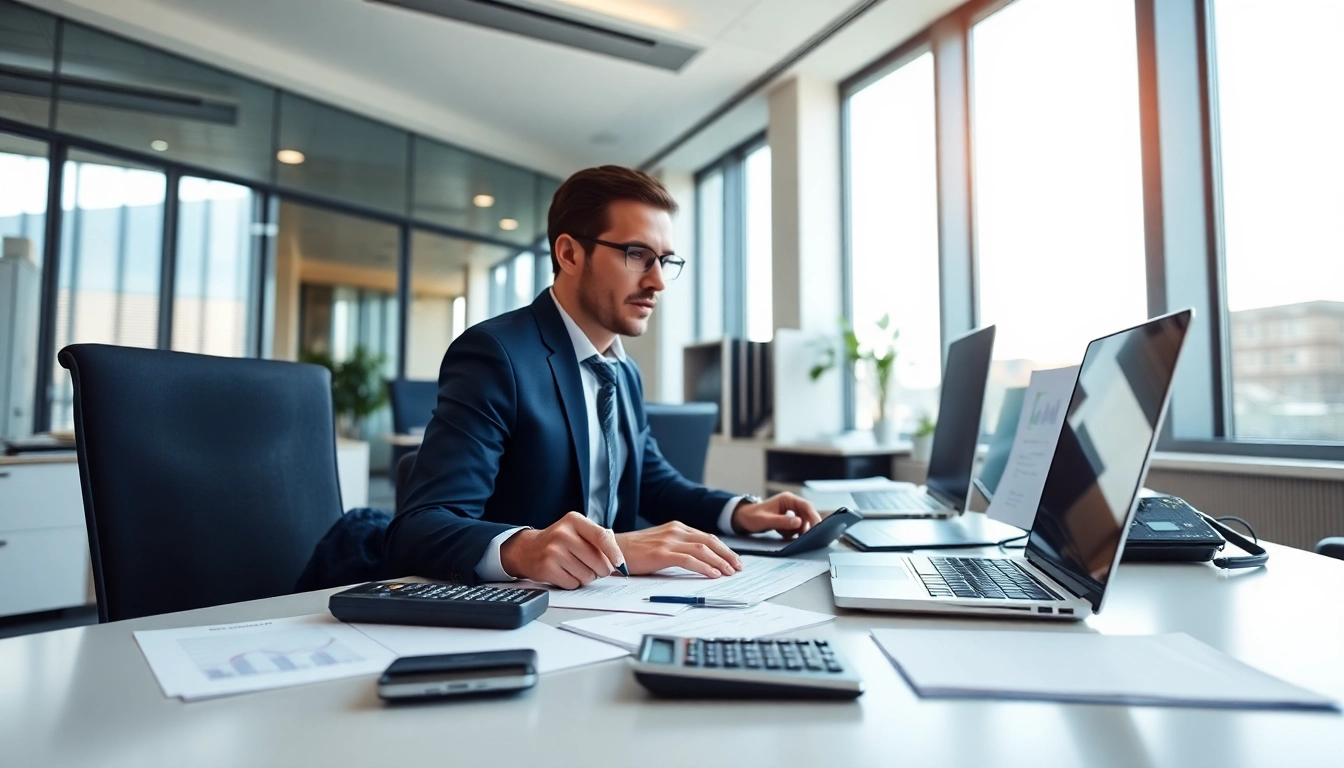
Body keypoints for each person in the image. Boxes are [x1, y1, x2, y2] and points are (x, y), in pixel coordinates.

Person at [385, 165, 820, 588]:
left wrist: (740, 511)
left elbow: (652, 480)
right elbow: (420, 527)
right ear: (570, 253)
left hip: (615, 602)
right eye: (637, 255)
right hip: (525, 608)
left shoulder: (623, 371)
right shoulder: (496, 355)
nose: (657, 282)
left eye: (664, 261)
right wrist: (530, 548)